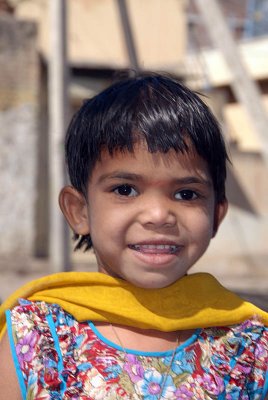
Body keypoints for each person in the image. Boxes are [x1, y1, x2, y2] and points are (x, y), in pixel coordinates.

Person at [0, 74, 267, 400]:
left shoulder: (250, 347)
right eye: (125, 189)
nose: (157, 215)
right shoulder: (38, 337)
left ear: (216, 214)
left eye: (186, 194)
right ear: (79, 211)